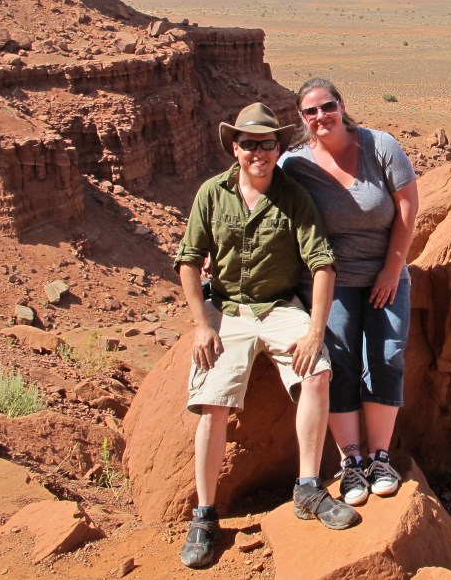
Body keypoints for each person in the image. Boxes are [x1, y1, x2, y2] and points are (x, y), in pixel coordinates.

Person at [174, 102, 359, 569]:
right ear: (234, 147)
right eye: (249, 143)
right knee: (213, 401)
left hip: (279, 307)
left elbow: (322, 263)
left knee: (317, 373)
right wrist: (201, 324)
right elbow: (189, 260)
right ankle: (205, 515)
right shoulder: (211, 194)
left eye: (267, 143)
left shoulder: (294, 196)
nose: (259, 152)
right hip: (229, 310)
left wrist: (315, 330)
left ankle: (308, 488)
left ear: (278, 147)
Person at [279, 78, 419, 507]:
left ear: (341, 105)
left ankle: (380, 456)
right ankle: (351, 461)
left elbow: (408, 205)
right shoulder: (294, 164)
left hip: (384, 274)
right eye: (310, 112)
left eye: (326, 107)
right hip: (330, 281)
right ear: (302, 119)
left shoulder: (380, 146)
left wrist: (392, 270)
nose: (320, 117)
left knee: (388, 354)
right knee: (337, 359)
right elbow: (257, 196)